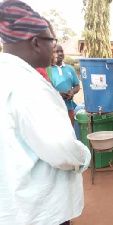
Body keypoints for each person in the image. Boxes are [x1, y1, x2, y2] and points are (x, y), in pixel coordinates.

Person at [0, 1, 91, 224]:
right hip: (39, 211)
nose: (54, 48)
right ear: (36, 42)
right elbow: (60, 150)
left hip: (15, 204)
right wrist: (84, 156)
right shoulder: (29, 86)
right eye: (53, 41)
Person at [51, 44, 80, 127]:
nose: (60, 53)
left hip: (69, 107)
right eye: (56, 51)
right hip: (54, 108)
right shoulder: (47, 69)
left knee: (70, 132)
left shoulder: (70, 68)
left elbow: (77, 86)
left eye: (61, 51)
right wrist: (58, 94)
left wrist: (72, 92)